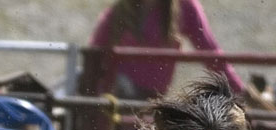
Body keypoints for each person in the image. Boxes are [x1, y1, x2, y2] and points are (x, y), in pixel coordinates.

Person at [85, 0, 244, 100]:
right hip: (115, 97)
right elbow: (93, 53)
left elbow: (211, 54)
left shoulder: (184, 6)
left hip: (149, 99)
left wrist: (240, 91)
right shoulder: (120, 10)